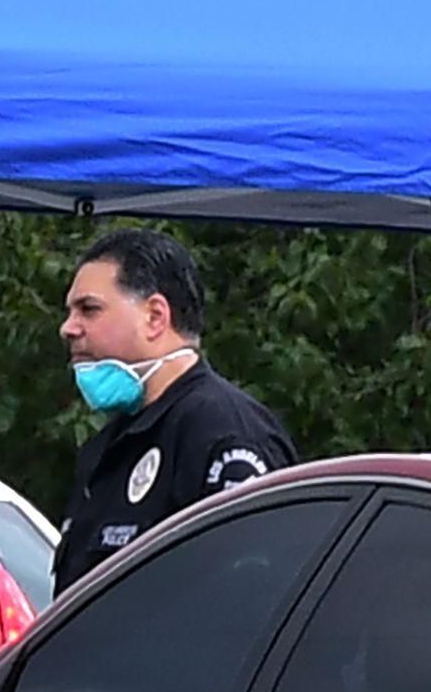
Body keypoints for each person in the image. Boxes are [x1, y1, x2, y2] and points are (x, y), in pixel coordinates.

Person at [52, 227, 296, 588]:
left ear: (155, 317)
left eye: (89, 309)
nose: (68, 328)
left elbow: (249, 600)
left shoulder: (222, 433)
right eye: (70, 312)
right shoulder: (113, 443)